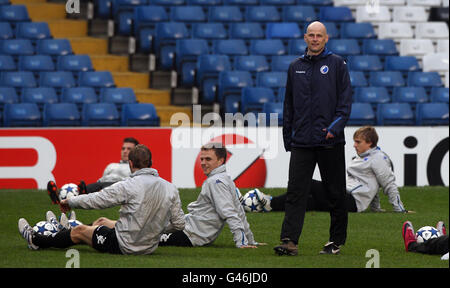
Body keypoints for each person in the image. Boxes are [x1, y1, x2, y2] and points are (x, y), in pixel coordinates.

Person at [19, 144, 186, 255]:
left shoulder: (128, 185)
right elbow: (179, 224)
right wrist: (155, 231)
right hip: (149, 246)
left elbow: (97, 200)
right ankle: (64, 230)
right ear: (151, 163)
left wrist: (70, 202)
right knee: (102, 221)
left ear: (130, 163)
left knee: (80, 232)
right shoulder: (170, 187)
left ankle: (37, 240)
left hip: (124, 245)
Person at [275, 21, 353, 256]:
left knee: (335, 193)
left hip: (330, 142)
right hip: (302, 143)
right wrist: (288, 137)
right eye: (312, 35)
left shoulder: (338, 64)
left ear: (326, 38)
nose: (316, 39)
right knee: (296, 193)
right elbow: (288, 105)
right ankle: (289, 241)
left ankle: (335, 241)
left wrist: (333, 129)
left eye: (320, 35)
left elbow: (345, 104)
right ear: (306, 38)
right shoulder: (295, 66)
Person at [253, 126, 411, 214]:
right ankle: (267, 207)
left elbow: (388, 183)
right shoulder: (364, 157)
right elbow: (372, 184)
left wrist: (400, 210)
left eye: (358, 142)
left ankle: (270, 201)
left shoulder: (379, 158)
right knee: (308, 202)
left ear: (369, 143)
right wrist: (375, 208)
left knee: (308, 183)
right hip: (344, 196)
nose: (354, 145)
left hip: (351, 201)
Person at [159, 142, 261, 249]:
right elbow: (239, 211)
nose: (203, 163)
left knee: (144, 238)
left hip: (190, 235)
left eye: (208, 159)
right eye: (202, 159)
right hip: (190, 230)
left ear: (220, 160)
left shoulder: (215, 182)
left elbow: (229, 213)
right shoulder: (226, 179)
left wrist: (242, 243)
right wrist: (250, 240)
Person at [47, 137, 139, 204]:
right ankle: (58, 197)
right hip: (102, 186)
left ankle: (81, 192)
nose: (125, 151)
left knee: (100, 186)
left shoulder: (135, 167)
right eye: (123, 148)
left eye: (129, 149)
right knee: (97, 185)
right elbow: (101, 180)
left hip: (118, 188)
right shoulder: (111, 166)